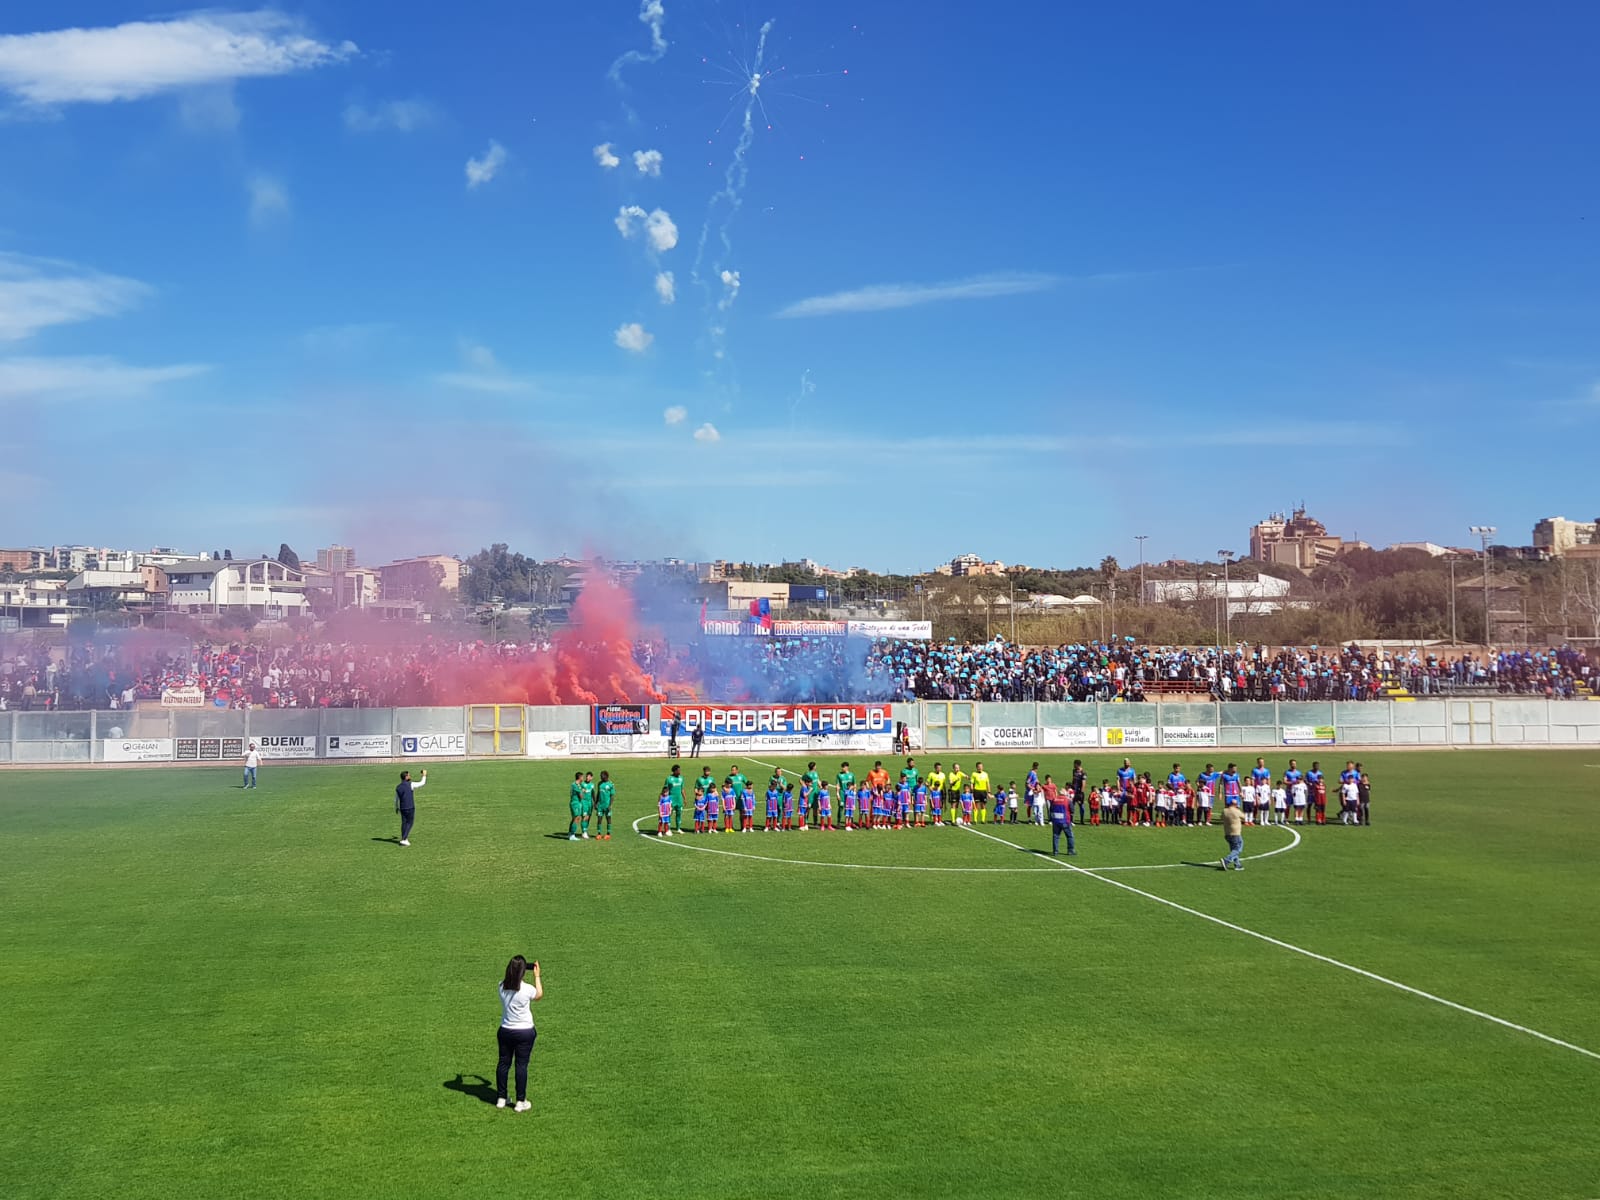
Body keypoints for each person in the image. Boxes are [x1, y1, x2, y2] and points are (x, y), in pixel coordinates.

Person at [495, 955, 542, 1112]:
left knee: (503, 1063)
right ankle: (520, 1101)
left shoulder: (501, 986)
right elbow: (539, 995)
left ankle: (501, 1098)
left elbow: (510, 982)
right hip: (525, 1032)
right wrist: (537, 976)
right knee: (521, 1065)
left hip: (506, 1030)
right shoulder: (527, 989)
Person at [395, 768, 426, 846]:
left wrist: (396, 807)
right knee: (410, 823)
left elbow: (396, 799)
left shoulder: (398, 787)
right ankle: (404, 839)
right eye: (408, 775)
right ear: (406, 777)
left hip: (402, 808)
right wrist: (424, 775)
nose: (410, 776)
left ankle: (404, 838)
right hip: (410, 807)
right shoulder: (411, 784)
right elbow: (422, 783)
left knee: (404, 823)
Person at [1049, 781, 1075, 856]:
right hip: (1065, 821)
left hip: (1056, 821)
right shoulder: (1067, 800)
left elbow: (1051, 809)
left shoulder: (1054, 800)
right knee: (1069, 836)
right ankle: (1070, 850)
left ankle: (1055, 851)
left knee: (1056, 836)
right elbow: (1072, 810)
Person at [1220, 794, 1244, 871]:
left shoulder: (1225, 811)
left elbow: (1221, 818)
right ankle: (1226, 860)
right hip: (1235, 833)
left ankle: (1237, 865)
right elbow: (1244, 817)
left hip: (1227, 833)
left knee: (1233, 849)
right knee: (1238, 849)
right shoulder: (1236, 811)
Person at [664, 765, 687, 834]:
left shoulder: (681, 778)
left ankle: (678, 828)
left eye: (680, 770)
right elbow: (665, 790)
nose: (679, 772)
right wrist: (665, 799)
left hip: (679, 799)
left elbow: (682, 789)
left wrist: (685, 799)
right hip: (671, 800)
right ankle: (667, 829)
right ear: (674, 771)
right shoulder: (668, 779)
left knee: (679, 814)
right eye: (678, 770)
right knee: (669, 814)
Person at [594, 770, 615, 840]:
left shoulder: (611, 784)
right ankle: (599, 833)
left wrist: (610, 805)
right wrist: (595, 803)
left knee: (608, 818)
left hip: (607, 805)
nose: (600, 778)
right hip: (600, 805)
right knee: (599, 819)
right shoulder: (599, 784)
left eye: (601, 776)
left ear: (606, 777)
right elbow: (598, 793)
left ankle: (608, 833)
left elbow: (612, 796)